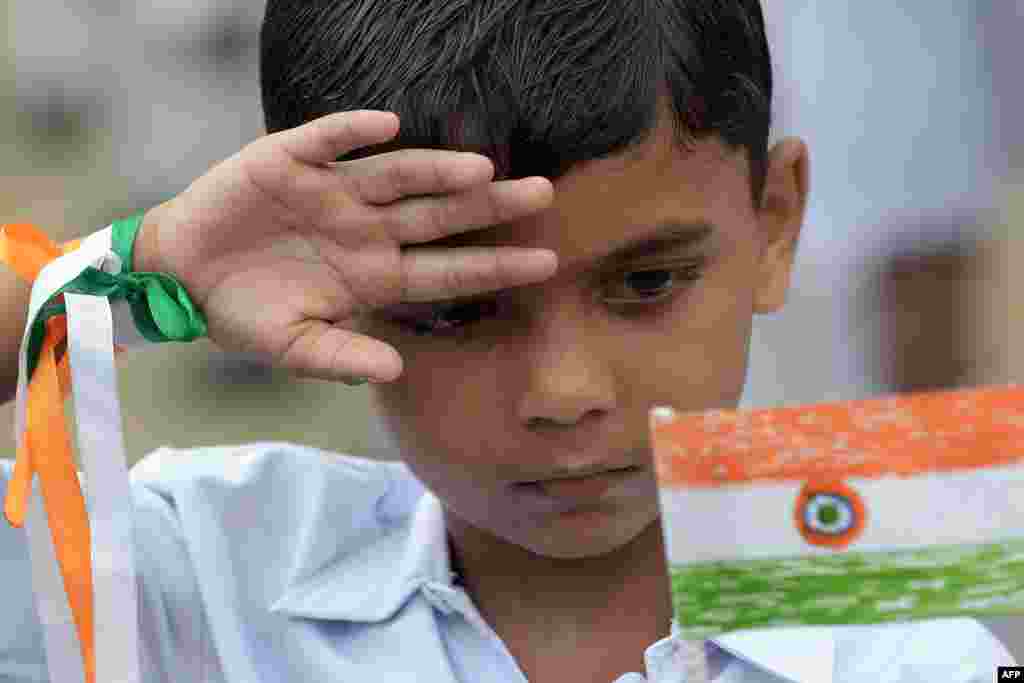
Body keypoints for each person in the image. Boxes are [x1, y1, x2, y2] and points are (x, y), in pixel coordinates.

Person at [0, 1, 1014, 681]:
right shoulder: (199, 575)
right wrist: (148, 272)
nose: (562, 391)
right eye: (456, 306)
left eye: (646, 282)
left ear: (775, 222)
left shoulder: (918, 642)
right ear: (333, 285)